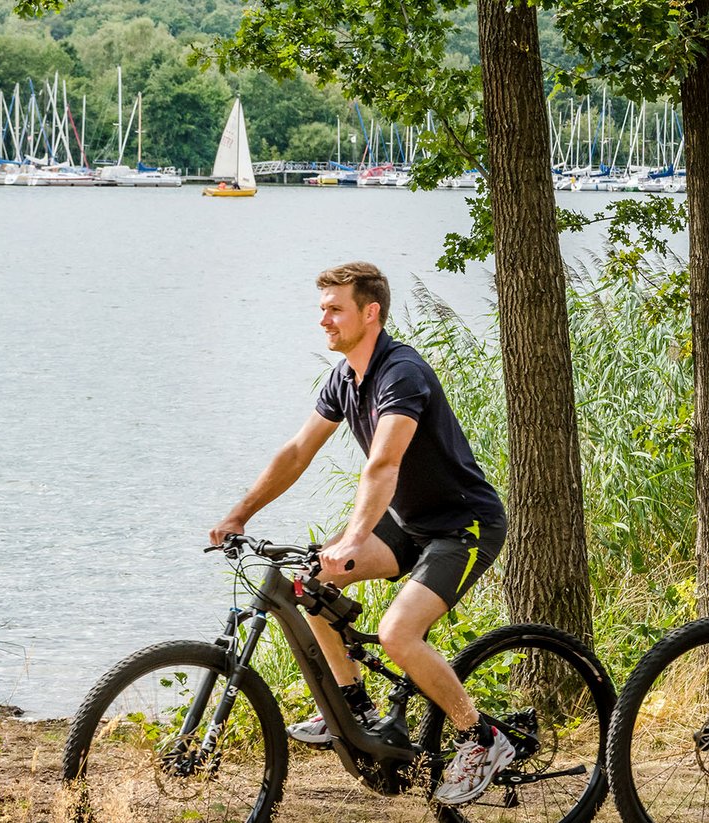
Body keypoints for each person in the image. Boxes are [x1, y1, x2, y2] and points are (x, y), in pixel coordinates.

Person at [208, 261, 512, 805]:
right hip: (409, 523)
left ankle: (479, 737)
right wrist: (240, 514)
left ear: (370, 313)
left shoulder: (402, 374)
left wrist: (352, 539)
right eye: (321, 309)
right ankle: (352, 708)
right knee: (312, 583)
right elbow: (299, 451)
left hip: (463, 527)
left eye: (334, 309)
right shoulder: (344, 377)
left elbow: (382, 465)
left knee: (398, 634)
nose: (323, 319)